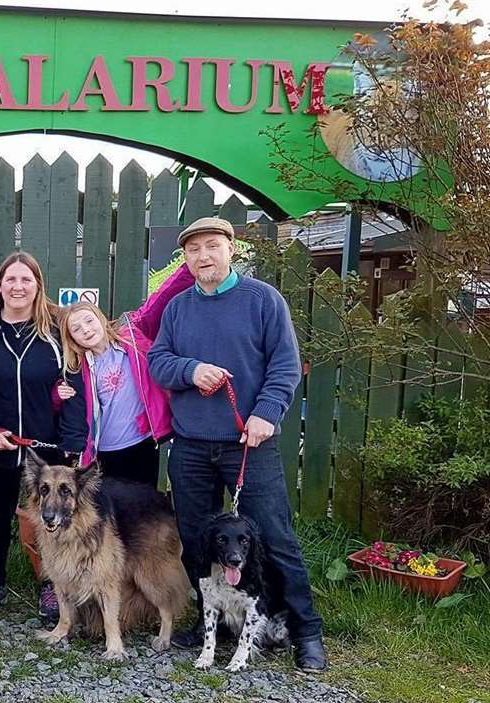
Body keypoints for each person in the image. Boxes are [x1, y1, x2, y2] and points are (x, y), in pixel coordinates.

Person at [146, 216, 328, 672]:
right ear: (185, 260)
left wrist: (266, 413)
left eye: (212, 246)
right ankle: (214, 624)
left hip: (250, 442)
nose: (204, 256)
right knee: (197, 540)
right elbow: (159, 362)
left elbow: (285, 366)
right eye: (193, 250)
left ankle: (306, 630)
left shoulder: (263, 300)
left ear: (231, 250)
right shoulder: (178, 309)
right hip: (190, 445)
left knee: (275, 537)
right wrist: (191, 370)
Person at [0, 252, 87, 618]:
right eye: (10, 279)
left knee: (50, 516)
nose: (18, 286)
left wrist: (72, 441)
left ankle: (51, 583)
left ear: (37, 286)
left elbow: (75, 386)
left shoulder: (57, 332)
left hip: (47, 451)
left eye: (25, 280)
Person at [57, 264, 195, 486]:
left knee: (142, 510)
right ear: (71, 338)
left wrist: (192, 264)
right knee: (110, 515)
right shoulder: (77, 369)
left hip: (142, 444)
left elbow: (161, 298)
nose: (86, 329)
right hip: (103, 452)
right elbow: (67, 406)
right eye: (76, 328)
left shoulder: (133, 336)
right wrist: (57, 395)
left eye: (89, 320)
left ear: (100, 319)